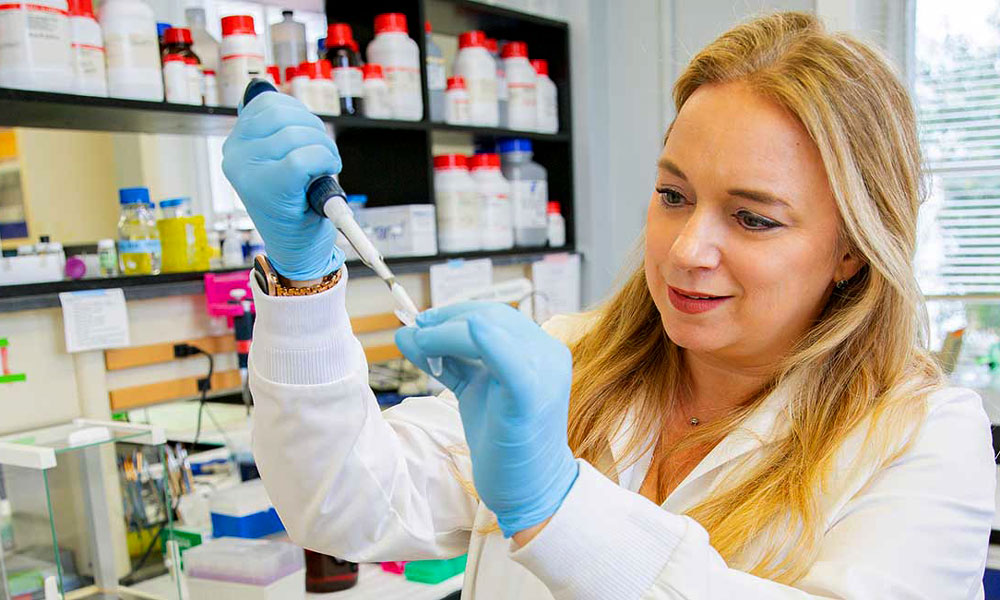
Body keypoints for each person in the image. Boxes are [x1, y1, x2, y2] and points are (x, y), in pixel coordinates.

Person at [222, 11, 995, 599]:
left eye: (752, 217)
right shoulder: (569, 355)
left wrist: (559, 508)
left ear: (853, 247)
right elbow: (341, 503)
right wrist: (302, 278)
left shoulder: (924, 437)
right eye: (673, 195)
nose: (688, 248)